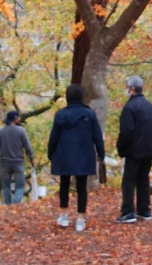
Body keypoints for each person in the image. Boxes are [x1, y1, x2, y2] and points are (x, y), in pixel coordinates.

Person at [48, 84, 105, 232]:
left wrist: (51, 153)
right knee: (81, 186)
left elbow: (54, 137)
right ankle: (80, 218)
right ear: (81, 96)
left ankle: (64, 215)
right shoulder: (89, 114)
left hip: (64, 154)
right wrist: (101, 153)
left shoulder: (60, 115)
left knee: (64, 185)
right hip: (84, 154)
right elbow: (97, 136)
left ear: (67, 97)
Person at [116, 75, 152, 223]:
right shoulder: (149, 106)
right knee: (143, 179)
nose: (126, 89)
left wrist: (120, 147)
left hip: (134, 151)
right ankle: (144, 210)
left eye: (127, 86)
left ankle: (128, 212)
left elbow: (126, 131)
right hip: (148, 149)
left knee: (129, 180)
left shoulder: (130, 107)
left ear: (132, 89)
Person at [0, 110, 34, 205]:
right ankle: (14, 205)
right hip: (18, 163)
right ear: (15, 118)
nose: (18, 119)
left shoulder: (0, 131)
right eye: (18, 117)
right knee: (20, 186)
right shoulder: (21, 130)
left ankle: (8, 208)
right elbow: (28, 147)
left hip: (4, 163)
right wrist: (31, 159)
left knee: (6, 187)